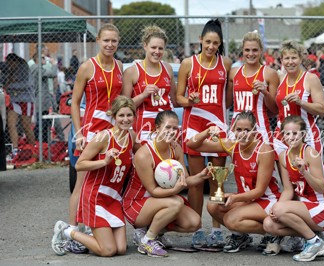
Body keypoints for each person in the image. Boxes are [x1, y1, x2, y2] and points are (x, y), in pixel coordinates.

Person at [51, 95, 138, 257]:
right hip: (96, 197)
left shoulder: (132, 137)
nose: (125, 119)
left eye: (129, 115)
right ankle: (67, 232)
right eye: (121, 115)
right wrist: (104, 161)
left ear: (134, 116)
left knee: (121, 249)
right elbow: (79, 164)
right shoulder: (103, 137)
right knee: (108, 250)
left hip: (114, 199)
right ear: (113, 116)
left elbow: (143, 155)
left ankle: (95, 234)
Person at [187, 111, 281, 253]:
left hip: (267, 199)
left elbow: (259, 191)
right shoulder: (231, 146)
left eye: (247, 130)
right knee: (213, 205)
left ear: (255, 131)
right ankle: (241, 236)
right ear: (233, 130)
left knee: (232, 220)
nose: (242, 134)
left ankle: (274, 233)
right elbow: (192, 145)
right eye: (239, 130)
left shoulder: (264, 151)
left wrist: (234, 197)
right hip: (248, 200)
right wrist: (207, 132)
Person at [122, 110, 211, 257]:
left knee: (194, 223)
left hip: (163, 200)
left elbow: (186, 180)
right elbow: (153, 190)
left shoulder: (175, 148)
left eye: (175, 128)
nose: (171, 132)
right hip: (137, 204)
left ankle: (157, 231)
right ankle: (148, 240)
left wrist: (201, 176)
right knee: (176, 203)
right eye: (167, 127)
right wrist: (175, 190)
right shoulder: (144, 154)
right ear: (157, 128)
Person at [68, 23, 124, 253]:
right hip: (92, 133)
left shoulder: (120, 65)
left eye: (114, 41)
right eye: (106, 40)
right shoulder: (87, 67)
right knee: (82, 185)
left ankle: (95, 226)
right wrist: (79, 133)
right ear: (98, 41)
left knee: (105, 182)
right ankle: (71, 229)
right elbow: (74, 102)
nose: (110, 45)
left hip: (112, 134)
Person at [176, 18, 232, 248]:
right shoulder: (188, 63)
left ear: (220, 43)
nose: (211, 46)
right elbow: (177, 97)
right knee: (197, 182)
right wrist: (189, 100)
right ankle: (197, 228)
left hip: (218, 124)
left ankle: (217, 229)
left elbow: (228, 99)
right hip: (194, 126)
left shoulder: (226, 63)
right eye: (207, 42)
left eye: (215, 43)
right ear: (200, 40)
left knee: (218, 180)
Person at [263, 115, 324, 262]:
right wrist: (275, 209)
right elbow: (288, 190)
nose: (291, 137)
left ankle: (313, 242)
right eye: (287, 133)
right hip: (305, 207)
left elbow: (321, 187)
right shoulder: (284, 156)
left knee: (279, 210)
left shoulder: (310, 153)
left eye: (295, 133)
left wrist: (304, 171)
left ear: (303, 134)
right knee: (269, 224)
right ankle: (314, 237)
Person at [122, 25, 177, 141]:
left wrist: (194, 99)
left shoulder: (168, 68)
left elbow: (175, 101)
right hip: (144, 127)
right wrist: (143, 95)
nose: (157, 52)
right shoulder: (132, 71)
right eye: (153, 47)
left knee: (167, 159)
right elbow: (124, 107)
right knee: (145, 158)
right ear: (145, 46)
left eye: (161, 48)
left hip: (166, 126)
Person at [274, 40, 324, 158]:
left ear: (301, 59)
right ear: (281, 60)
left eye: (294, 58)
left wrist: (301, 102)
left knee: (311, 174)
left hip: (306, 134)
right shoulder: (279, 79)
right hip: (281, 135)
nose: (290, 62)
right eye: (286, 58)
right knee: (286, 175)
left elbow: (322, 110)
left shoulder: (310, 79)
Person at [227, 31, 279, 145]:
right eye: (247, 50)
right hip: (236, 129)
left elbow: (275, 110)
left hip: (260, 128)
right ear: (242, 51)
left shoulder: (269, 73)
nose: (251, 54)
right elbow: (226, 104)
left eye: (255, 50)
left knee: (263, 161)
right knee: (237, 161)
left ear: (261, 51)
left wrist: (265, 92)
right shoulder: (233, 73)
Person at [4, 53, 36, 156]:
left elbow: (27, 85)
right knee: (11, 124)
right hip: (14, 100)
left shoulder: (24, 69)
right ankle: (15, 149)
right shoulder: (10, 70)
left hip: (26, 100)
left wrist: (10, 86)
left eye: (11, 64)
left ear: (15, 62)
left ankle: (33, 148)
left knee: (26, 125)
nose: (10, 66)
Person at [30, 52, 58, 143]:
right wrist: (54, 64)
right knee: (41, 123)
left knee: (44, 123)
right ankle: (41, 143)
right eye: (42, 58)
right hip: (40, 100)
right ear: (37, 59)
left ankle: (43, 144)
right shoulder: (37, 69)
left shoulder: (37, 68)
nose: (45, 59)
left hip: (41, 99)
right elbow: (53, 74)